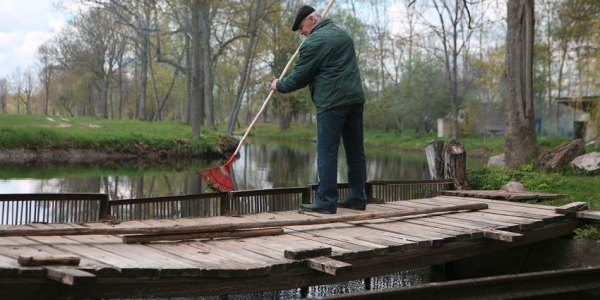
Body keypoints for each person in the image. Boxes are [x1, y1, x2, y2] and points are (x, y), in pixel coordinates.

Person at [270, 5, 367, 214]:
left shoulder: (314, 42)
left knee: (327, 152)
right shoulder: (343, 35)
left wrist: (278, 84)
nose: (301, 33)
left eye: (301, 28)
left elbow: (298, 79)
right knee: (355, 151)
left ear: (312, 20)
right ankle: (358, 198)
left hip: (331, 103)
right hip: (355, 100)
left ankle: (326, 201)